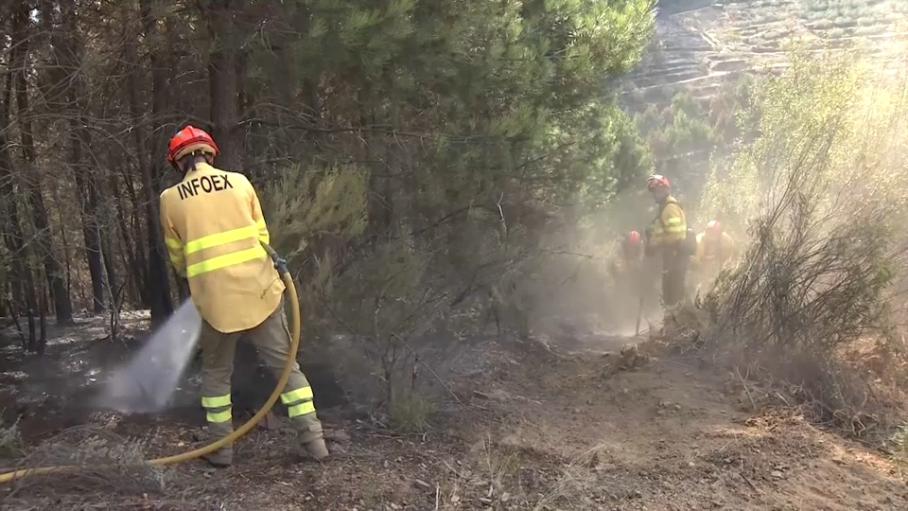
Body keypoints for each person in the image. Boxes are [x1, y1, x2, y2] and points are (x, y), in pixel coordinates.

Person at [159, 125, 328, 467]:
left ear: (178, 162)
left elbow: (178, 258)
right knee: (286, 368)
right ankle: (315, 443)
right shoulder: (240, 182)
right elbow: (262, 236)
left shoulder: (170, 200)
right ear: (210, 153)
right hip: (261, 292)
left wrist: (202, 275)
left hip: (215, 304)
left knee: (217, 375)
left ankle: (221, 451)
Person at [644, 174, 689, 308]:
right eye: (653, 192)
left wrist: (655, 244)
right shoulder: (665, 207)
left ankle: (677, 323)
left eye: (657, 191)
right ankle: (674, 321)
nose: (655, 195)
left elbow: (675, 236)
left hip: (675, 256)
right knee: (670, 293)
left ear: (665, 189)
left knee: (672, 294)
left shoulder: (670, 208)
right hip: (671, 256)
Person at [693, 220, 737, 293]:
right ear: (706, 232)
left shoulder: (726, 242)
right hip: (702, 263)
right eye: (710, 233)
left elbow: (729, 259)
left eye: (715, 233)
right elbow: (697, 262)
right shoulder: (699, 242)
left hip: (719, 261)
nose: (712, 237)